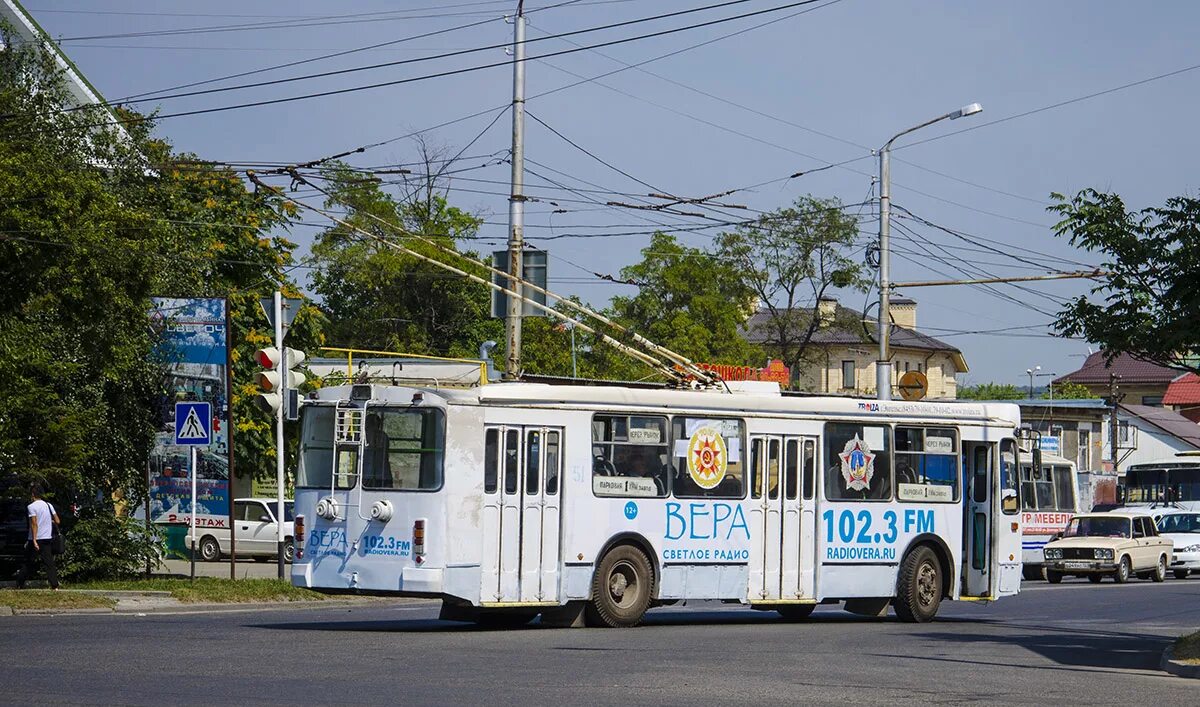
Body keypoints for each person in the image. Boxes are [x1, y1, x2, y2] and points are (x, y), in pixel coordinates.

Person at [15, 483, 60, 590]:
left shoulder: (31, 507)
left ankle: (20, 583)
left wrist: (34, 540)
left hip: (35, 539)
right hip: (46, 538)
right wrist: (48, 521)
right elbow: (57, 521)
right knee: (49, 562)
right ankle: (54, 585)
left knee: (28, 562)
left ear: (32, 494)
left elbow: (34, 523)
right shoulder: (49, 505)